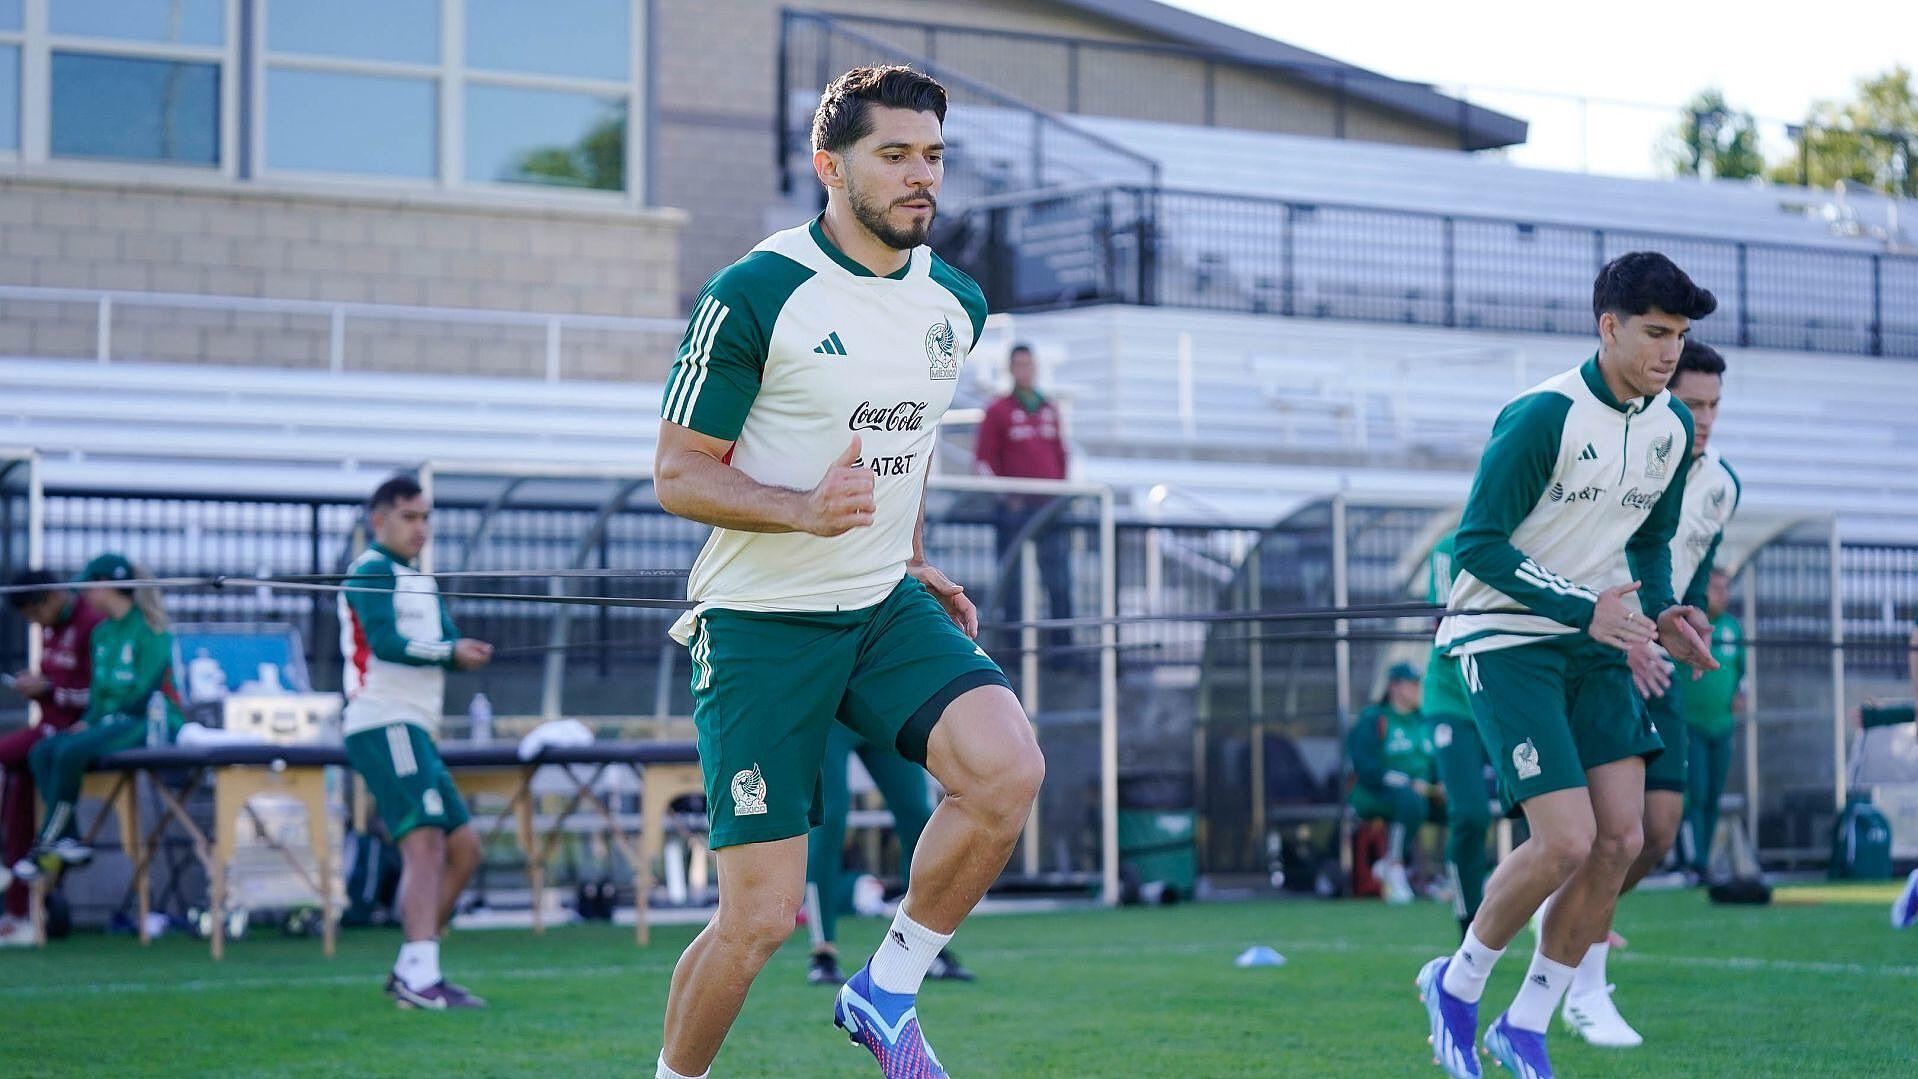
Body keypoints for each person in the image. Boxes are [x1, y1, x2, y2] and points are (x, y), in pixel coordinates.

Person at [651, 65, 1042, 1079]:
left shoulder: (955, 303)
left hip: (878, 606)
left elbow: (898, 446)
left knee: (1006, 769)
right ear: (831, 165)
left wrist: (911, 558)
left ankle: (887, 986)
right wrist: (798, 509)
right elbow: (676, 471)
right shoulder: (756, 291)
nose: (922, 178)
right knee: (760, 918)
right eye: (895, 156)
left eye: (933, 157)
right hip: (758, 623)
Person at [1418, 251, 1719, 1079]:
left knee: (1619, 839)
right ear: (1609, 326)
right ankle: (1456, 981)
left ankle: (1527, 1022)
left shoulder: (1667, 428)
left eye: (1681, 335)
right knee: (1565, 839)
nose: (1670, 352)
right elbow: (1476, 544)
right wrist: (1586, 606)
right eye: (1657, 333)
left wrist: (1663, 612)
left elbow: (1650, 541)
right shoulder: (1541, 413)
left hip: (1596, 641)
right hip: (1504, 640)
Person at [1547, 337, 1741, 1047]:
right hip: (1601, 650)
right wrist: (1623, 638)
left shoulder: (1723, 484)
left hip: (1659, 658)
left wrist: (1690, 627)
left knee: (1657, 833)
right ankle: (1584, 988)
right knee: (1611, 835)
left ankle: (1563, 919)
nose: (1706, 419)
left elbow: (1693, 569)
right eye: (1693, 404)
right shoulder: (1630, 455)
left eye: (1715, 405)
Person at [339, 475, 494, 1010]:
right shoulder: (370, 571)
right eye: (409, 516)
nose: (421, 527)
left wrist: (461, 649)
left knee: (464, 848)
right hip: (383, 721)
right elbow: (387, 644)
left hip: (415, 728)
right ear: (377, 520)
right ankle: (421, 975)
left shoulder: (417, 579)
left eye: (425, 516)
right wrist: (452, 654)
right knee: (425, 843)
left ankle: (412, 966)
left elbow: (442, 641)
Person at [12, 555, 182, 885]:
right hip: (109, 725)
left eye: (90, 586)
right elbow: (98, 692)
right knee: (42, 751)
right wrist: (90, 720)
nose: (84, 595)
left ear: (106, 585)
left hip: (148, 723)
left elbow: (144, 693)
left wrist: (99, 723)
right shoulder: (102, 634)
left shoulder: (152, 628)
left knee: (70, 751)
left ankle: (46, 841)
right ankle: (69, 839)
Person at [803, 726, 972, 986]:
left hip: (873, 703)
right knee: (828, 822)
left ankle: (924, 946)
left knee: (918, 816)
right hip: (829, 712)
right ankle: (822, 952)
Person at [0, 569, 107, 938]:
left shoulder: (92, 625)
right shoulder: (51, 627)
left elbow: (100, 695)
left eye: (34, 614)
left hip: (68, 736)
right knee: (16, 795)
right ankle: (18, 912)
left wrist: (47, 687)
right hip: (45, 737)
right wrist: (39, 685)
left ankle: (61, 841)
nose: (34, 623)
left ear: (52, 598)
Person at [974, 344, 1072, 655]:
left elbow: (1061, 456)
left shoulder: (1049, 408)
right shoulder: (998, 410)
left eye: (1029, 364)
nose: (1025, 370)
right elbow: (983, 462)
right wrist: (1007, 496)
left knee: (1059, 581)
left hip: (1049, 512)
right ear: (1011, 369)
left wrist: (1061, 496)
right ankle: (1013, 652)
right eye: (1019, 364)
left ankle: (1063, 652)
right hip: (1014, 513)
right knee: (1012, 585)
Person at [1424, 532, 1497, 941]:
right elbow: (1443, 619)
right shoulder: (1448, 547)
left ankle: (1549, 912)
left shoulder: (1536, 540)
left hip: (1505, 698)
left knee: (1551, 815)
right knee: (1470, 815)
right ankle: (1469, 922)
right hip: (1452, 701)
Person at [1346, 662, 1438, 905]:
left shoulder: (1424, 720)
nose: (1418, 690)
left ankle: (1452, 876)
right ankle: (1393, 864)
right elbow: (1366, 768)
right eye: (1413, 685)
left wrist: (1441, 784)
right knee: (1411, 800)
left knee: (1465, 809)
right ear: (1394, 687)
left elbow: (1435, 760)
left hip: (1423, 792)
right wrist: (1408, 782)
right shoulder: (1374, 718)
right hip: (1375, 794)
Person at [1681, 570, 1745, 878]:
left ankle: (1703, 859)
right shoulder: (1686, 626)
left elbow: (1741, 670)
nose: (1722, 594)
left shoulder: (1733, 628)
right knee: (1697, 792)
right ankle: (1692, 860)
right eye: (1716, 588)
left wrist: (1740, 693)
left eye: (1725, 588)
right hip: (1691, 724)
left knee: (1713, 795)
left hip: (1723, 725)